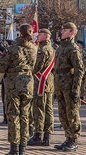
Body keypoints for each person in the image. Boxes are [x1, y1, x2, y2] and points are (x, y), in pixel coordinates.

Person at [0, 24, 37, 155]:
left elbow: (1, 67)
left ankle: (14, 148)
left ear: (19, 33)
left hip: (13, 84)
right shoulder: (34, 48)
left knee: (13, 115)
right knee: (25, 115)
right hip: (28, 83)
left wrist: (5, 54)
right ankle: (23, 147)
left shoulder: (13, 49)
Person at [54, 22, 84, 151]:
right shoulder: (61, 48)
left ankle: (74, 139)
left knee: (72, 113)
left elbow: (79, 70)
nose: (62, 32)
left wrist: (76, 89)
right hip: (60, 85)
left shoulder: (73, 49)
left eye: (65, 31)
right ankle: (67, 137)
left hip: (69, 86)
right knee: (63, 113)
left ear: (72, 33)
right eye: (62, 30)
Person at [27, 28, 54, 146]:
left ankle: (38, 135)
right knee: (48, 109)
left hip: (40, 82)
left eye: (40, 35)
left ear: (46, 36)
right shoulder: (52, 49)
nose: (37, 36)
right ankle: (47, 136)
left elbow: (37, 67)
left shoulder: (42, 50)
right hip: (49, 82)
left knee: (39, 109)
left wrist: (27, 67)